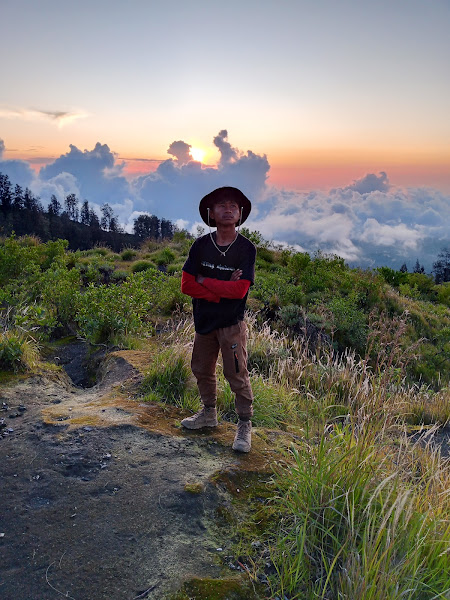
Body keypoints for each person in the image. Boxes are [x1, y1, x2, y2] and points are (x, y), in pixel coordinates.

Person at [180, 186, 256, 452]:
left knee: (236, 373)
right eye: (221, 205)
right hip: (204, 321)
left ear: (240, 214)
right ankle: (208, 414)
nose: (228, 209)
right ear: (211, 213)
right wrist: (217, 292)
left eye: (233, 206)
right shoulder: (201, 246)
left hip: (232, 325)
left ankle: (244, 425)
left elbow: (240, 290)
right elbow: (187, 284)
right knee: (201, 369)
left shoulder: (246, 249)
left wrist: (206, 281)